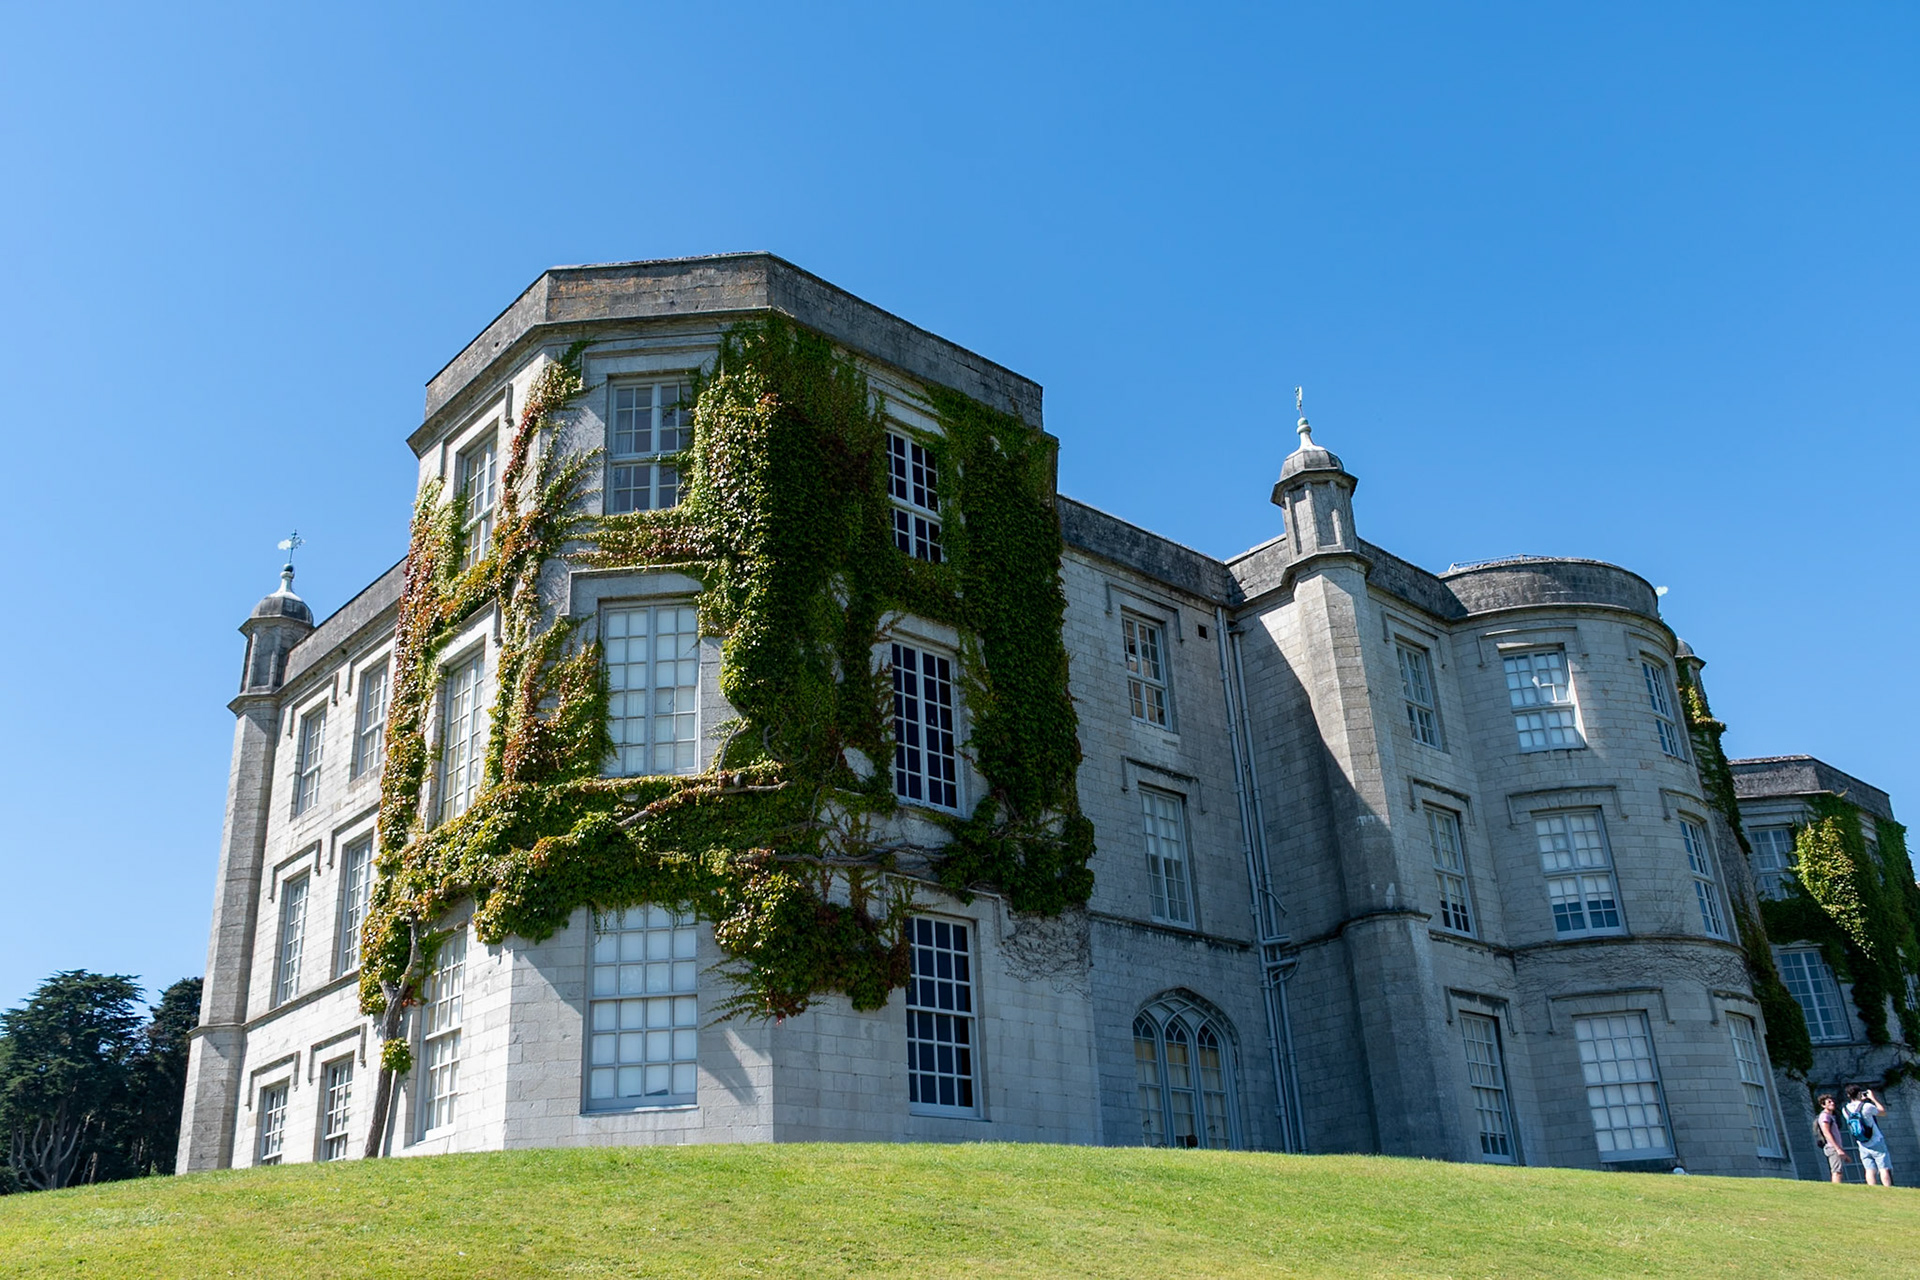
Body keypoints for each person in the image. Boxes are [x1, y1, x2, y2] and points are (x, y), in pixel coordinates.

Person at [1844, 1084, 1894, 1187]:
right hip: (1876, 1140)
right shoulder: (1867, 1106)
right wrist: (1872, 1098)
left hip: (1862, 1142)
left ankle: (1872, 1189)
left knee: (1869, 1169)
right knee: (1883, 1168)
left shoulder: (1845, 1109)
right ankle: (1888, 1188)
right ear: (1859, 1094)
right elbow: (1882, 1112)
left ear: (1848, 1095)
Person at [1815, 1094, 1852, 1183]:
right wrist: (1838, 1148)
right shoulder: (1825, 1116)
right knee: (1837, 1171)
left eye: (1832, 1101)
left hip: (1835, 1147)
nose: (1832, 1103)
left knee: (1839, 1170)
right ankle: (1837, 1190)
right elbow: (1826, 1132)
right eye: (1829, 1102)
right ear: (1823, 1105)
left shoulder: (1831, 1116)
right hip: (1832, 1147)